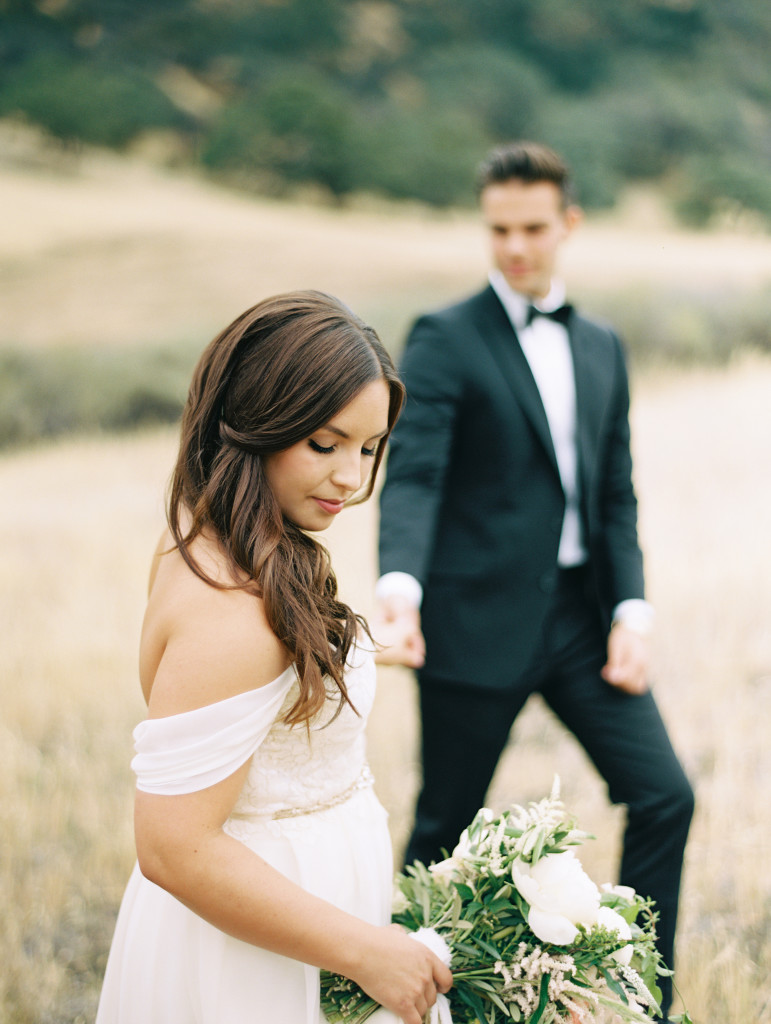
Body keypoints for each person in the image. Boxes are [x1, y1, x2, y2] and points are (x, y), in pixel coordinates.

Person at [376, 142, 694, 1020]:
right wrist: (398, 589)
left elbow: (613, 492)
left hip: (580, 624)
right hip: (470, 624)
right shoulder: (443, 336)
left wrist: (630, 608)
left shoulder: (600, 346)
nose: (513, 247)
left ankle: (640, 1001)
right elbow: (416, 475)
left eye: (531, 228)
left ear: (568, 225)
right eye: (497, 230)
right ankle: (402, 1003)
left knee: (665, 793)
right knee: (441, 830)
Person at [95, 291, 452, 1024]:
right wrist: (365, 952)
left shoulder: (220, 541)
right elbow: (173, 848)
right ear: (256, 421)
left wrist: (356, 650)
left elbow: (258, 695)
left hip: (304, 921)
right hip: (250, 958)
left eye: (368, 447)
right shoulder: (230, 606)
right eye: (324, 444)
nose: (351, 480)